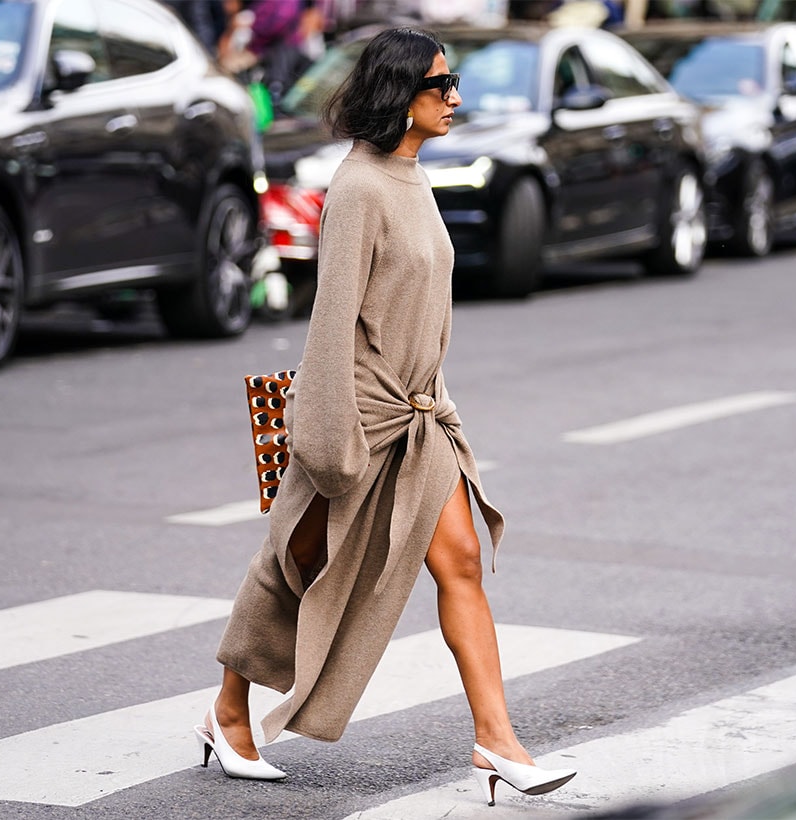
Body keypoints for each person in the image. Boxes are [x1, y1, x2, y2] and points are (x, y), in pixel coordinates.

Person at [192, 27, 578, 807]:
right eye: (442, 85)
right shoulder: (360, 187)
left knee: (462, 562)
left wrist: (444, 408)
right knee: (295, 565)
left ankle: (497, 742)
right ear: (401, 93)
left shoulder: (411, 178)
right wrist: (329, 438)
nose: (455, 99)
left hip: (418, 417)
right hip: (355, 417)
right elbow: (331, 322)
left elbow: (418, 314)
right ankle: (228, 712)